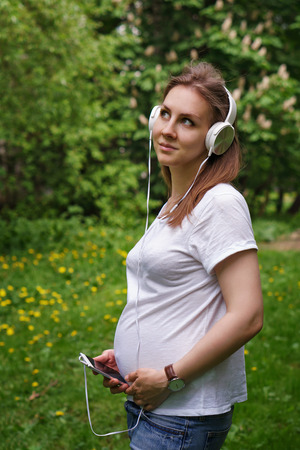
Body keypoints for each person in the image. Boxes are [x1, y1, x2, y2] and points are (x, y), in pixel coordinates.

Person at [94, 62, 263, 449]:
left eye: (187, 121)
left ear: (215, 138)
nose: (167, 129)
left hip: (183, 415)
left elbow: (248, 315)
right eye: (165, 114)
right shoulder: (176, 204)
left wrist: (171, 377)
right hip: (153, 407)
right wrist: (129, 355)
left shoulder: (219, 203)